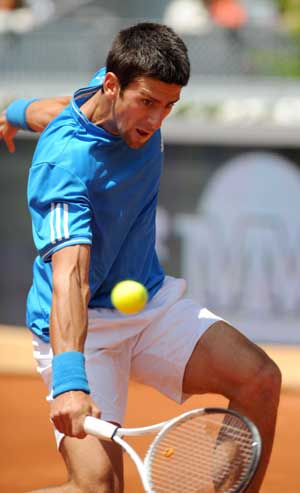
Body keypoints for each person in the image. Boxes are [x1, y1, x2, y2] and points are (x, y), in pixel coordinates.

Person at [1, 22, 281, 493]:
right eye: (147, 103)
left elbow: (59, 111)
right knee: (97, 489)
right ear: (114, 87)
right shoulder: (63, 167)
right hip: (80, 331)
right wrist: (71, 379)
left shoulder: (113, 82)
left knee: (259, 380)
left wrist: (14, 111)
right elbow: (71, 276)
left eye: (169, 106)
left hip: (149, 306)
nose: (155, 121)